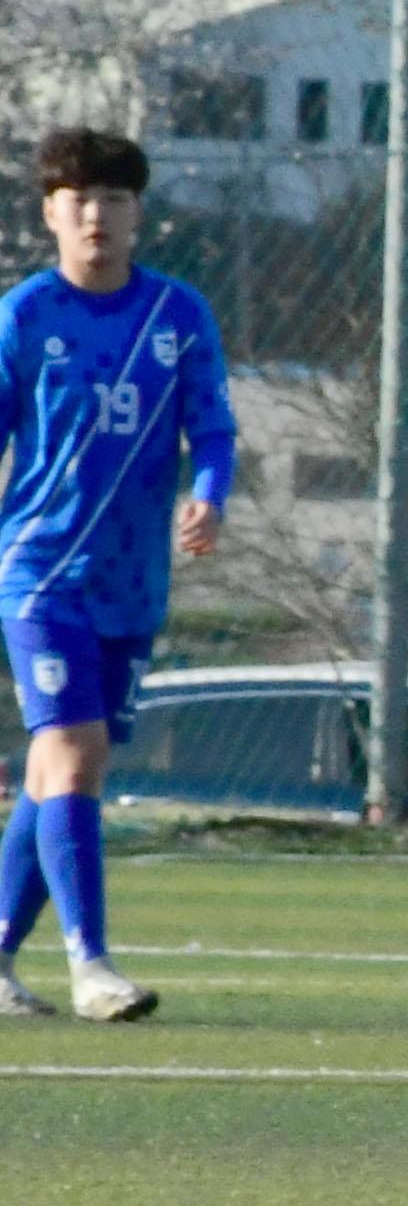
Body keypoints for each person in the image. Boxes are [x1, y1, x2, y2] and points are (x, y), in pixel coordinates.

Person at [1, 128, 234, 1023]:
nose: (97, 216)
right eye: (79, 199)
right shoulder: (24, 314)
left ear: (140, 214)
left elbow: (211, 427)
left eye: (115, 200)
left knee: (52, 768)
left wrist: (208, 495)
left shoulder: (177, 314)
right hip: (38, 571)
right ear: (50, 212)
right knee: (77, 752)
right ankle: (91, 966)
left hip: (132, 579)